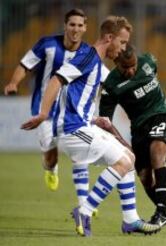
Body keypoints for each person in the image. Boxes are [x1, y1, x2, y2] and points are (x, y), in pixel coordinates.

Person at [21, 16, 161, 237]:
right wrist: (44, 113)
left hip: (83, 125)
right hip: (73, 130)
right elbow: (57, 80)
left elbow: (77, 95)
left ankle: (131, 219)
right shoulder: (88, 57)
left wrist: (94, 118)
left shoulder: (95, 63)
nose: (124, 48)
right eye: (122, 42)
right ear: (109, 38)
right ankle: (84, 211)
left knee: (128, 157)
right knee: (123, 162)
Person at [3, 9, 98, 212]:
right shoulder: (47, 45)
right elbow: (24, 64)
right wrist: (13, 82)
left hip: (72, 113)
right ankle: (51, 168)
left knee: (81, 153)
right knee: (51, 157)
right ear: (65, 26)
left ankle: (85, 203)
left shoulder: (88, 53)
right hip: (44, 111)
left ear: (85, 28)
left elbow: (102, 77)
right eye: (72, 24)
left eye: (80, 25)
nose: (76, 29)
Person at [99, 44, 166, 235]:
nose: (131, 70)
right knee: (145, 178)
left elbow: (151, 68)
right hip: (139, 128)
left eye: (134, 65)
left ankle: (161, 211)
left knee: (157, 152)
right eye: (126, 68)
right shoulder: (111, 85)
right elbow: (104, 122)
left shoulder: (149, 61)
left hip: (162, 114)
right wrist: (122, 143)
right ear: (116, 63)